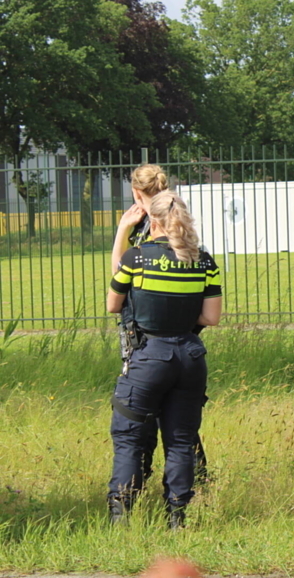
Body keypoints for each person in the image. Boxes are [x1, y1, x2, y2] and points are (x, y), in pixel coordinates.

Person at [106, 190, 222, 528]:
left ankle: (121, 517)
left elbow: (114, 305)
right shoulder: (203, 260)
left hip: (149, 356)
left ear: (151, 220)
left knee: (128, 435)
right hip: (190, 357)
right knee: (181, 439)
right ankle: (177, 517)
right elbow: (211, 318)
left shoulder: (136, 258)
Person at [111, 164, 209, 485]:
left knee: (141, 412)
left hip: (145, 336)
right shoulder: (177, 217)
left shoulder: (145, 225)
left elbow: (119, 280)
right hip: (186, 339)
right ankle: (190, 485)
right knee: (181, 420)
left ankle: (140, 479)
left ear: (136, 192)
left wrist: (122, 230)